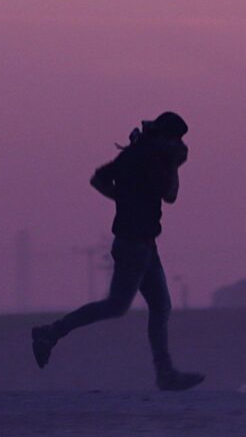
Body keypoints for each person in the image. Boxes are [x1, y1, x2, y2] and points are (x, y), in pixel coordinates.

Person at [33, 112, 204, 391]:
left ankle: (165, 373)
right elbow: (171, 195)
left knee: (160, 306)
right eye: (177, 139)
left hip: (142, 244)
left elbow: (98, 180)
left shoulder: (134, 154)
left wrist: (124, 199)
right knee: (116, 306)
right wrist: (174, 165)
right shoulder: (153, 159)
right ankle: (51, 333)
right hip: (135, 245)